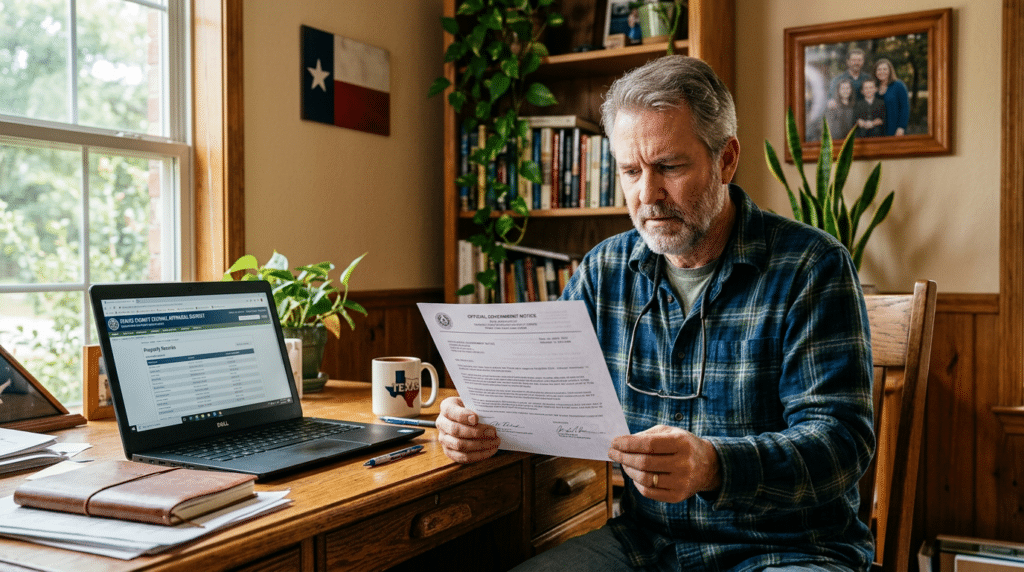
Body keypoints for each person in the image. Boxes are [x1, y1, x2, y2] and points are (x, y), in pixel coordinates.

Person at [436, 55, 875, 571]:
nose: (648, 195)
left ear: (726, 160)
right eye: (630, 170)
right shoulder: (605, 270)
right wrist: (474, 419)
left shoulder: (812, 267)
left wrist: (714, 465)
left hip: (790, 548)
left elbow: (841, 443)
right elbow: (537, 392)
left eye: (669, 166)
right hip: (649, 544)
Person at [874, 58, 910, 136]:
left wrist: (901, 127)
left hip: (894, 129)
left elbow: (905, 108)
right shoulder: (873, 87)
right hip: (876, 131)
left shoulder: (899, 85)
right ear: (875, 72)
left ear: (890, 71)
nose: (882, 72)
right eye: (879, 69)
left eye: (885, 69)